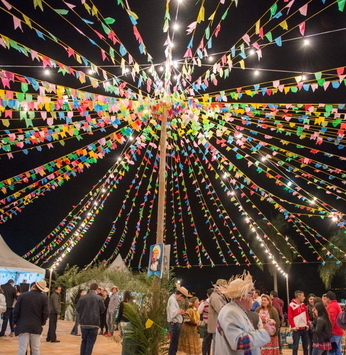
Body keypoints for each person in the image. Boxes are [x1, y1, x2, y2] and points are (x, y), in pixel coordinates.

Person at [215, 271, 276, 355]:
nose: (253, 297)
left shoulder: (235, 310)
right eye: (251, 293)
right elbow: (238, 342)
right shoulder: (231, 312)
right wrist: (264, 332)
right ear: (243, 296)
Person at [12, 280, 49, 355]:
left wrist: (15, 322)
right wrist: (42, 323)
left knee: (22, 348)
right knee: (35, 349)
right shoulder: (44, 298)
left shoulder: (22, 296)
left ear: (34, 286)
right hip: (36, 325)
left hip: (23, 325)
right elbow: (45, 313)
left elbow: (16, 311)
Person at [76, 283, 105, 355]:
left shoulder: (82, 297)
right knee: (90, 342)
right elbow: (103, 309)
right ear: (97, 289)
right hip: (94, 323)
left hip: (83, 323)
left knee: (84, 341)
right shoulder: (99, 298)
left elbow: (77, 309)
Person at [166, 284, 192, 355]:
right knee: (173, 343)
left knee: (174, 343)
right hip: (175, 324)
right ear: (180, 295)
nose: (181, 300)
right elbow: (173, 313)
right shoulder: (172, 300)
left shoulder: (173, 299)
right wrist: (180, 312)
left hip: (175, 324)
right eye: (182, 298)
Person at [208, 279, 228, 353]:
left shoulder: (218, 296)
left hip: (218, 326)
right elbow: (221, 310)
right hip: (217, 326)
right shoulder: (216, 297)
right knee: (217, 347)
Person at [288, 290, 309, 355]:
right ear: (298, 296)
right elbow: (290, 317)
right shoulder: (291, 305)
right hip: (296, 329)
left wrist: (307, 324)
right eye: (303, 296)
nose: (304, 297)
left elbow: (307, 316)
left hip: (304, 328)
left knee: (305, 346)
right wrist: (293, 326)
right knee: (295, 346)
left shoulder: (303, 305)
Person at [117, 290, 137, 355]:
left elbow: (120, 313)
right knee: (130, 337)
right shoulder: (132, 304)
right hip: (130, 322)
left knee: (124, 337)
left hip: (123, 322)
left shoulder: (122, 303)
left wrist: (117, 322)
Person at [325, 291, 344, 355]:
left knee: (331, 351)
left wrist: (328, 331)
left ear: (328, 298)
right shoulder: (336, 305)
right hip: (339, 331)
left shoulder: (332, 306)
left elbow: (331, 320)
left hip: (334, 332)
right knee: (337, 350)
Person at [198, 288, 213, 355]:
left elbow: (199, 311)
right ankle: (209, 352)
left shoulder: (205, 302)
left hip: (207, 322)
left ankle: (204, 353)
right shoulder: (216, 302)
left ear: (207, 294)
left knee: (206, 340)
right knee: (211, 340)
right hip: (214, 323)